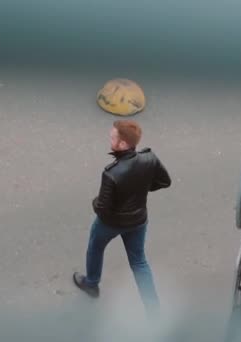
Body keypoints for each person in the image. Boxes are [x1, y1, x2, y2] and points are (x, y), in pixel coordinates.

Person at [72, 120, 171, 318]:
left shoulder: (111, 173)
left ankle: (92, 284)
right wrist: (142, 188)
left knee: (95, 246)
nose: (110, 139)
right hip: (138, 221)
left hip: (111, 224)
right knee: (139, 263)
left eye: (113, 138)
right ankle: (154, 311)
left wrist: (96, 202)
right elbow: (164, 181)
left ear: (123, 144)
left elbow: (103, 210)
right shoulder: (149, 158)